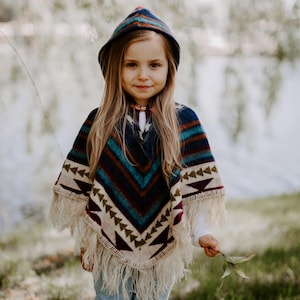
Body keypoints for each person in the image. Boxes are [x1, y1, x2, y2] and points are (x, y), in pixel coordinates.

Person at [49, 7, 226, 300]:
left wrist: (199, 234)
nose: (143, 75)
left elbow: (192, 193)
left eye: (154, 65)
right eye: (131, 64)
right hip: (109, 249)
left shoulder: (184, 122)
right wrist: (87, 241)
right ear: (114, 68)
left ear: (170, 68)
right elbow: (85, 188)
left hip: (162, 245)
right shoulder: (100, 122)